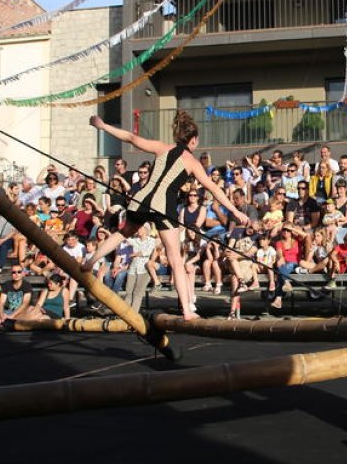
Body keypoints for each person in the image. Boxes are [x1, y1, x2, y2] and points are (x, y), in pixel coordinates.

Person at [84, 112, 250, 320]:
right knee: (175, 259)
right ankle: (187, 311)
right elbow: (214, 189)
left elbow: (131, 138)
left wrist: (103, 125)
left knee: (122, 233)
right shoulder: (192, 162)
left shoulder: (162, 147)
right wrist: (234, 211)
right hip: (163, 207)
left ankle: (90, 262)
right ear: (193, 140)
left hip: (141, 200)